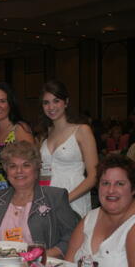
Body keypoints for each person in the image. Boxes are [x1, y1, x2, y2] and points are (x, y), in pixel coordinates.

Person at [65, 154, 135, 267]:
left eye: (120, 184)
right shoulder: (89, 218)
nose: (111, 190)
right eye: (105, 183)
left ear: (133, 189)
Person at [0, 141, 79, 258]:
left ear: (36, 169)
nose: (19, 171)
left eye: (26, 165)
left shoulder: (55, 197)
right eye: (13, 166)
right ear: (6, 170)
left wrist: (43, 256)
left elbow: (73, 236)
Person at [39, 80, 98, 217]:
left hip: (73, 199)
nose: (51, 107)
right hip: (48, 200)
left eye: (56, 101)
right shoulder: (46, 134)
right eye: (46, 102)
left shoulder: (82, 130)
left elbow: (94, 176)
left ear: (66, 102)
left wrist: (64, 200)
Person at [0, 82, 35, 203]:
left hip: (15, 197)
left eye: (2, 101)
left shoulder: (20, 129)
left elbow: (32, 167)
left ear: (10, 104)